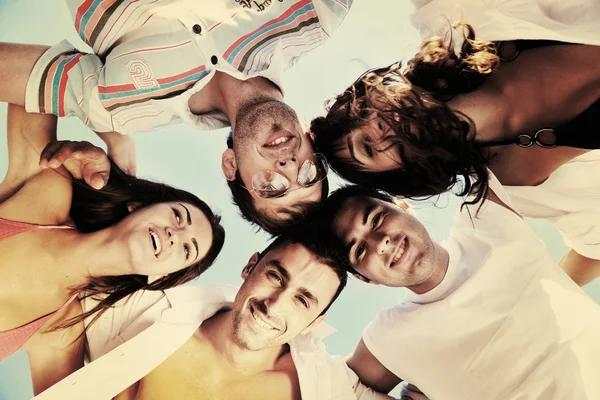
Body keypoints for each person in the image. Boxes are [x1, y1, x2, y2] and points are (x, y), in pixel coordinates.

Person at [0, 0, 353, 234]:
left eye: (271, 187)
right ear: (311, 138)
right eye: (309, 173)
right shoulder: (316, 16)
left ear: (231, 166)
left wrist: (109, 131)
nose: (289, 168)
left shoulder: (126, 110)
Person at [311, 14, 600, 284]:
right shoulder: (516, 188)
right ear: (399, 173)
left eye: (363, 111)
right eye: (368, 148)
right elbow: (594, 250)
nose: (377, 125)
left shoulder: (460, 20)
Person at [0, 105, 225, 394]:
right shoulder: (49, 190)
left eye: (186, 250)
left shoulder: (61, 332)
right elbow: (31, 81)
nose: (174, 235)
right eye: (178, 216)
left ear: (158, 279)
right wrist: (116, 135)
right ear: (139, 207)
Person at [35, 225, 393, 400]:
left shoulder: (329, 388)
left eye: (302, 300)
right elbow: (50, 293)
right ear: (250, 266)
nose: (274, 304)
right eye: (275, 276)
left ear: (315, 322)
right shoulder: (144, 311)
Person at [316, 184, 600, 400]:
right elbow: (332, 390)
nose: (380, 244)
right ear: (365, 278)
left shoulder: (485, 218)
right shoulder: (388, 337)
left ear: (403, 205)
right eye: (360, 250)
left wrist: (549, 285)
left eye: (377, 219)